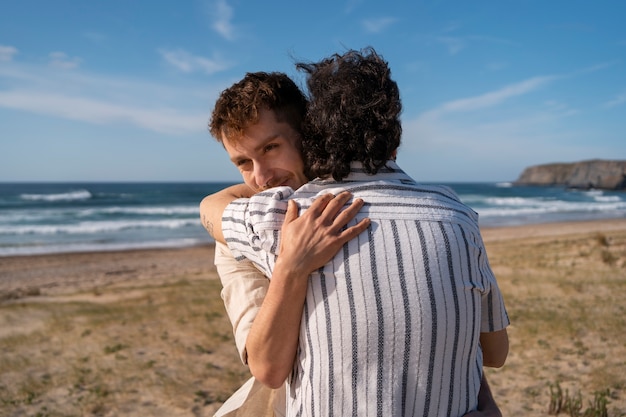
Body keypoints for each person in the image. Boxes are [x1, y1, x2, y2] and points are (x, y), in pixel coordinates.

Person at [202, 61, 508, 416]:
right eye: (242, 162)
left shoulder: (268, 219)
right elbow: (267, 368)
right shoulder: (455, 216)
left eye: (271, 148)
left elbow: (210, 207)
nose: (260, 178)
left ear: (309, 133)